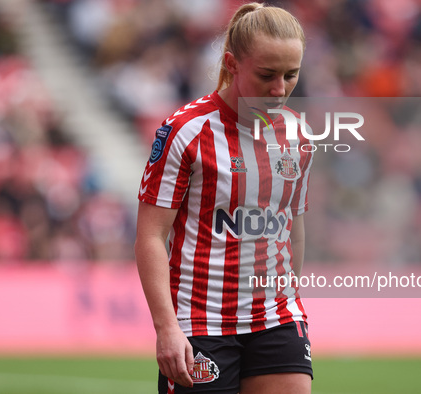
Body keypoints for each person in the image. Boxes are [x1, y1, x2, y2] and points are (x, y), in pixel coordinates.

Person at [134, 2, 313, 393]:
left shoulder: (299, 136)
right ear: (231, 64)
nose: (279, 88)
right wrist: (166, 327)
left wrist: (290, 300)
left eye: (291, 75)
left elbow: (292, 227)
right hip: (200, 322)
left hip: (276, 319)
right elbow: (150, 236)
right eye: (266, 75)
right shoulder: (185, 132)